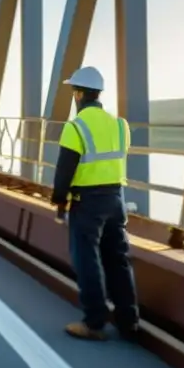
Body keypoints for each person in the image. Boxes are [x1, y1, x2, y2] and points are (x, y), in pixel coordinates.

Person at [50, 66, 141, 341]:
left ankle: (94, 322)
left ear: (78, 94)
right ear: (98, 94)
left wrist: (60, 204)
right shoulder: (120, 125)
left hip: (87, 202)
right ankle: (128, 321)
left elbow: (65, 170)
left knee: (87, 260)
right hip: (116, 199)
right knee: (118, 260)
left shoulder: (75, 127)